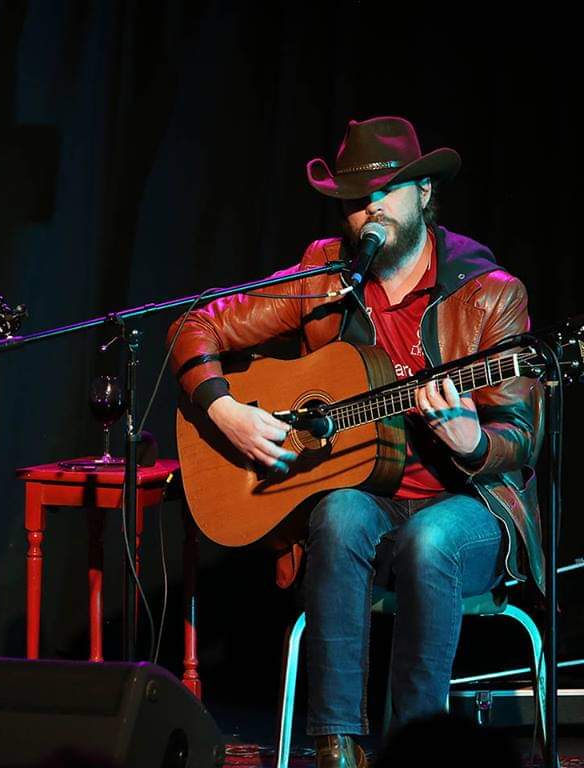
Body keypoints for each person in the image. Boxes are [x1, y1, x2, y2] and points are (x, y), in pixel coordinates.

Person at [168, 116, 543, 768]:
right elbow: (195, 327)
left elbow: (520, 437)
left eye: (386, 190)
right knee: (339, 512)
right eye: (356, 198)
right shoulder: (326, 275)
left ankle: (415, 752)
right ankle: (336, 747)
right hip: (373, 497)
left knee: (431, 539)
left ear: (424, 193)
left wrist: (472, 441)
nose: (370, 207)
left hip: (473, 509)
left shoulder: (489, 294)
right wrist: (223, 409)